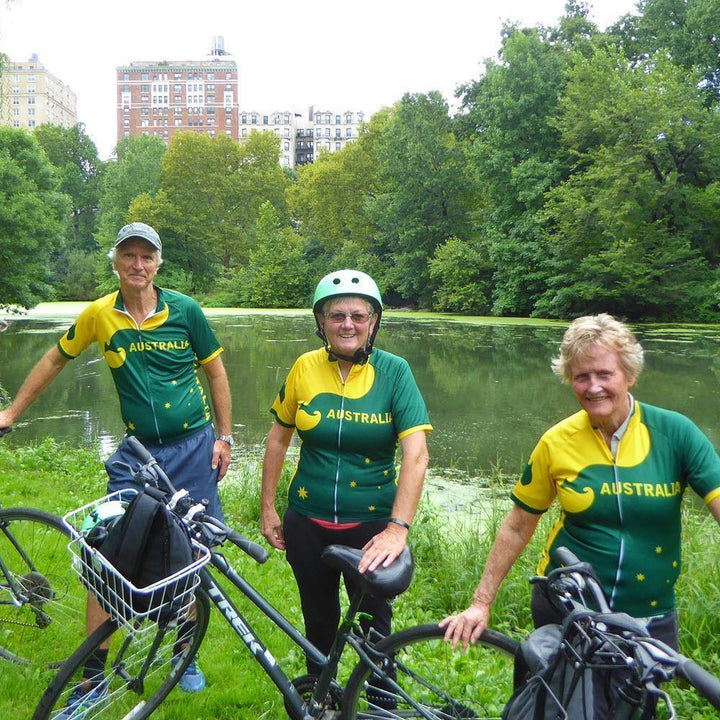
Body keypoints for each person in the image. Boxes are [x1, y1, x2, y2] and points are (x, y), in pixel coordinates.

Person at [0, 222, 233, 703]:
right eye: (129, 256)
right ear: (116, 262)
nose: (138, 265)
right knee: (106, 552)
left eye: (146, 256)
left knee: (193, 555)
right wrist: (10, 412)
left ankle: (182, 656)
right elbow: (53, 360)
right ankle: (93, 674)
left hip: (193, 446)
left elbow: (216, 371)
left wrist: (225, 438)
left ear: (158, 263)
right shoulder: (99, 315)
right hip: (137, 453)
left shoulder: (186, 311)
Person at [441, 313, 720, 657]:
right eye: (581, 376)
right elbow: (517, 525)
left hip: (650, 614)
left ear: (630, 375)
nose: (593, 387)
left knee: (639, 708)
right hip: (568, 605)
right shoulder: (556, 441)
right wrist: (480, 603)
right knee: (566, 705)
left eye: (605, 374)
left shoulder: (676, 433)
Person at [261, 269, 432, 675]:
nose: (348, 325)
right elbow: (276, 439)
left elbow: (417, 456)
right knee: (317, 622)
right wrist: (268, 507)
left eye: (359, 315)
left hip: (371, 530)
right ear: (321, 322)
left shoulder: (395, 372)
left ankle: (379, 704)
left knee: (376, 630)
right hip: (306, 522)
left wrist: (398, 529)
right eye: (337, 315)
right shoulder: (304, 367)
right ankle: (320, 703)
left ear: (374, 322)